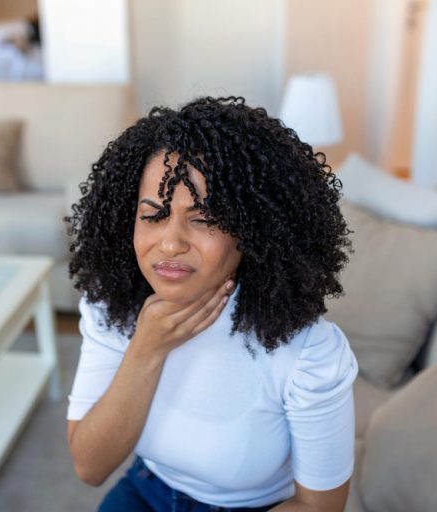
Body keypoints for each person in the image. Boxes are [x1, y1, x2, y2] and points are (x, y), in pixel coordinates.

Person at [65, 96, 359, 512]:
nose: (170, 244)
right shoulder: (112, 308)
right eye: (153, 215)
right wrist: (147, 348)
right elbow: (89, 467)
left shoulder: (308, 352)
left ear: (252, 231)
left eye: (202, 219)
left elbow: (319, 507)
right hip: (146, 491)